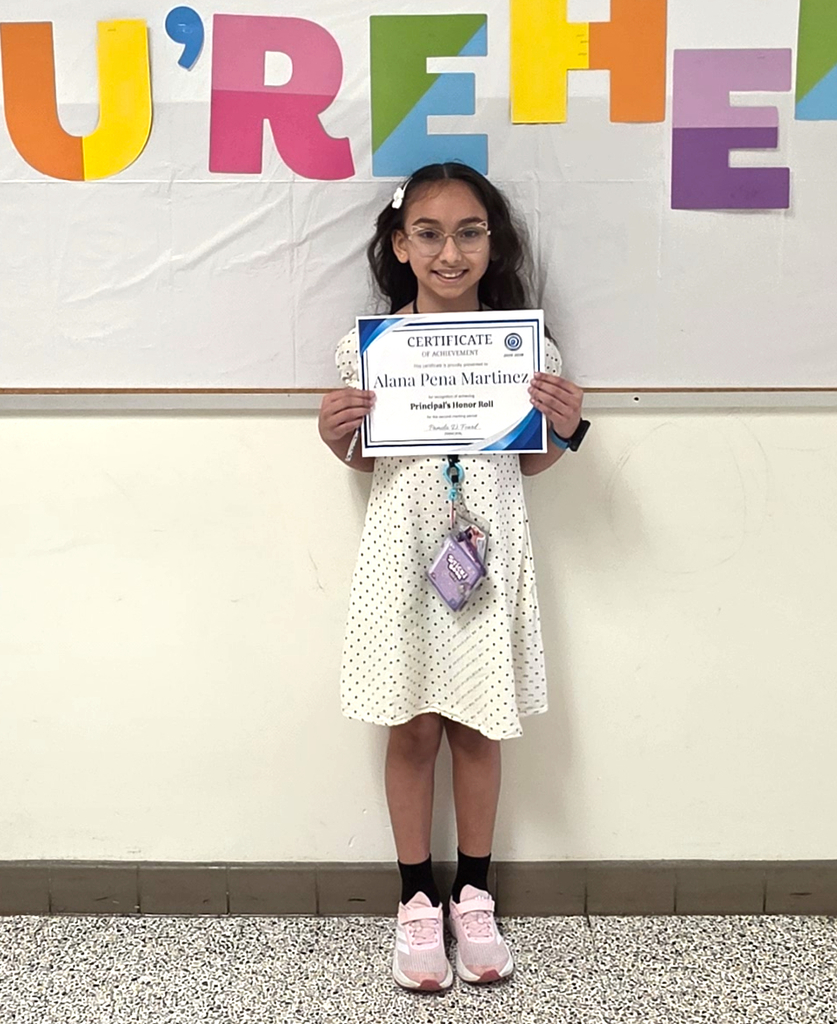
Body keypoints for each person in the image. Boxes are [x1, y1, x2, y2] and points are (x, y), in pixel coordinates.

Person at [317, 162, 587, 991]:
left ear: (492, 241)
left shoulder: (524, 347)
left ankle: (475, 892)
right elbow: (363, 460)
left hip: (486, 555)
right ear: (400, 246)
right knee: (414, 727)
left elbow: (532, 462)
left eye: (470, 232)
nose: (450, 251)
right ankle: (414, 900)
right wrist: (337, 434)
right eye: (428, 234)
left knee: (475, 726)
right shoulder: (370, 350)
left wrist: (569, 429)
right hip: (404, 556)